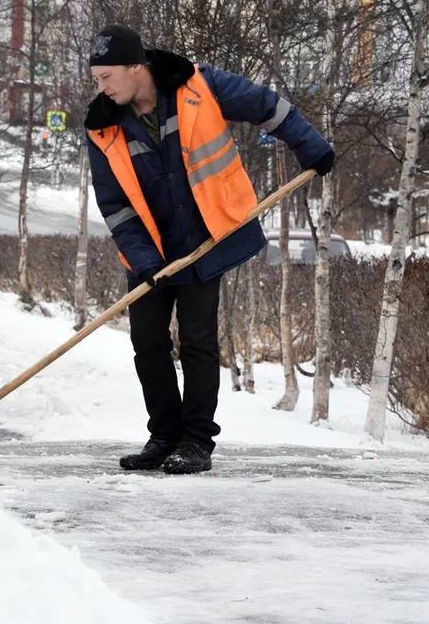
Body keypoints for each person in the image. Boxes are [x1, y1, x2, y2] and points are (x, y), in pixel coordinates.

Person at [85, 24, 334, 475]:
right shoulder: (102, 127)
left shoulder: (200, 85)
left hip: (205, 239)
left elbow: (266, 106)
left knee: (198, 341)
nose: (100, 87)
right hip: (148, 253)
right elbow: (115, 206)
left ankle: (196, 441)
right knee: (148, 344)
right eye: (96, 79)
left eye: (105, 76)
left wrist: (310, 146)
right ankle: (163, 436)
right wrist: (146, 263)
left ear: (136, 67)